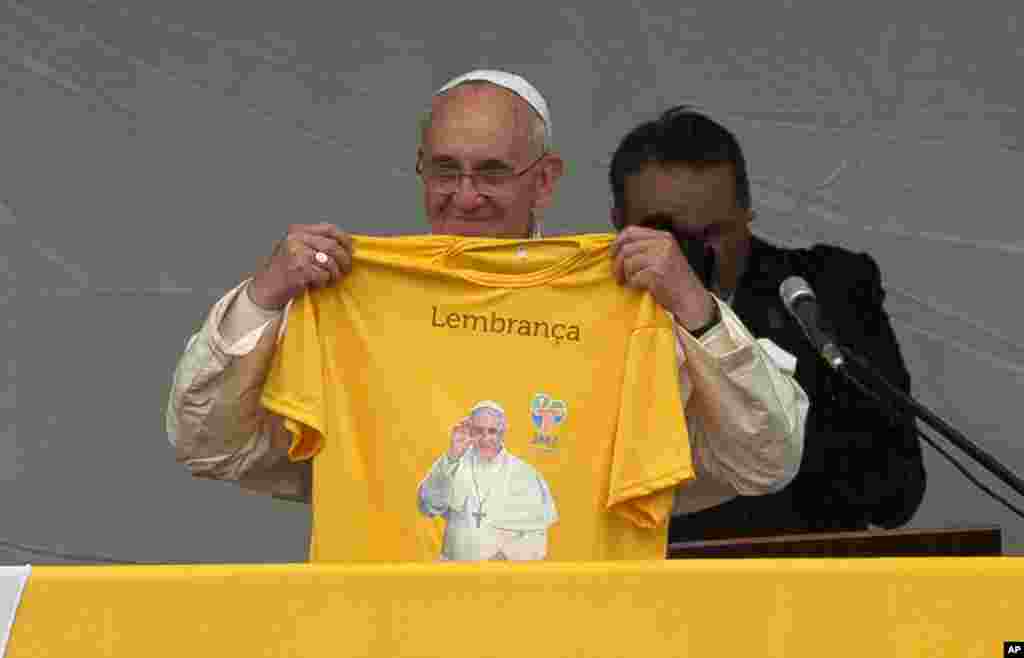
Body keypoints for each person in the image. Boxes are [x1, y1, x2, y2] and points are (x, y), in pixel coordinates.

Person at [166, 70, 808, 540]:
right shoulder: (347, 303)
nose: (465, 196)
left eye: (492, 172)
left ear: (546, 179)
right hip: (389, 631)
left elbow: (767, 460)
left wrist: (696, 310)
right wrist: (262, 297)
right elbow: (205, 443)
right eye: (445, 170)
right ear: (419, 169)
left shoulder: (629, 303)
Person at [608, 106, 927, 541]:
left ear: (748, 215)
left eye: (712, 233)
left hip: (802, 580)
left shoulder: (825, 293)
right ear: (616, 225)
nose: (684, 257)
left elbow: (897, 490)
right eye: (666, 235)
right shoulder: (588, 310)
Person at [417, 401, 558, 561]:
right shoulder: (453, 463)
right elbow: (428, 506)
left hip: (503, 576)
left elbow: (536, 537)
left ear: (503, 432)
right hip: (453, 571)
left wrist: (501, 560)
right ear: (469, 430)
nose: (485, 438)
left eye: (492, 431)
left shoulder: (524, 474)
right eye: (478, 431)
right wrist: (452, 456)